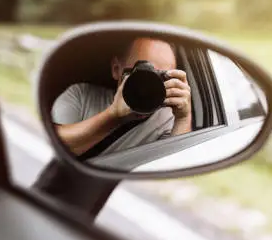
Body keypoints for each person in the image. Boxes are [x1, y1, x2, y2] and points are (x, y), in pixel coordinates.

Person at [50, 37, 192, 158]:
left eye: (160, 77)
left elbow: (174, 165)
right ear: (116, 69)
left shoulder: (168, 121)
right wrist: (113, 115)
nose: (148, 86)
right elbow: (53, 144)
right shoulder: (81, 95)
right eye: (142, 75)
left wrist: (183, 118)